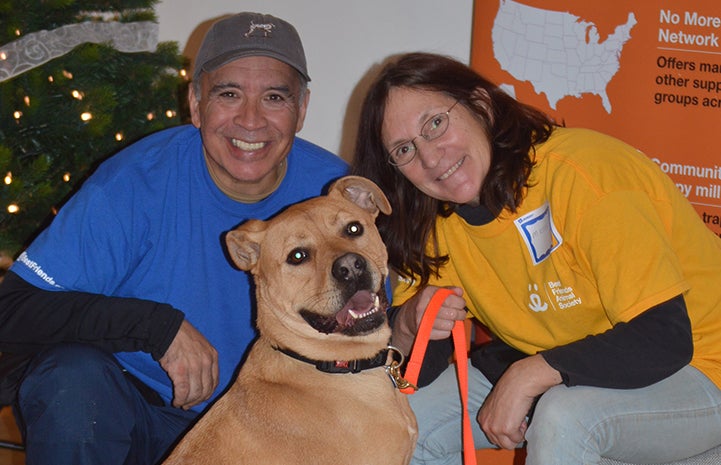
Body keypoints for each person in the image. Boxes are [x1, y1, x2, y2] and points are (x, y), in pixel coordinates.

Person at [0, 12, 348, 465]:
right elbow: (13, 310)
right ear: (196, 104)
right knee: (70, 378)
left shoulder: (333, 196)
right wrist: (155, 327)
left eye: (274, 97)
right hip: (139, 416)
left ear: (301, 110)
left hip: (271, 429)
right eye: (228, 93)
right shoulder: (133, 184)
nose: (251, 120)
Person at [351, 52, 721, 465]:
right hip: (578, 367)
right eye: (404, 149)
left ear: (481, 105)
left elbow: (665, 338)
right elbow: (416, 371)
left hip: (702, 366)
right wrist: (406, 326)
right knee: (401, 422)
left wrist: (531, 374)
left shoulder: (584, 172)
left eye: (435, 124)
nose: (431, 158)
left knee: (564, 416)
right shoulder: (435, 221)